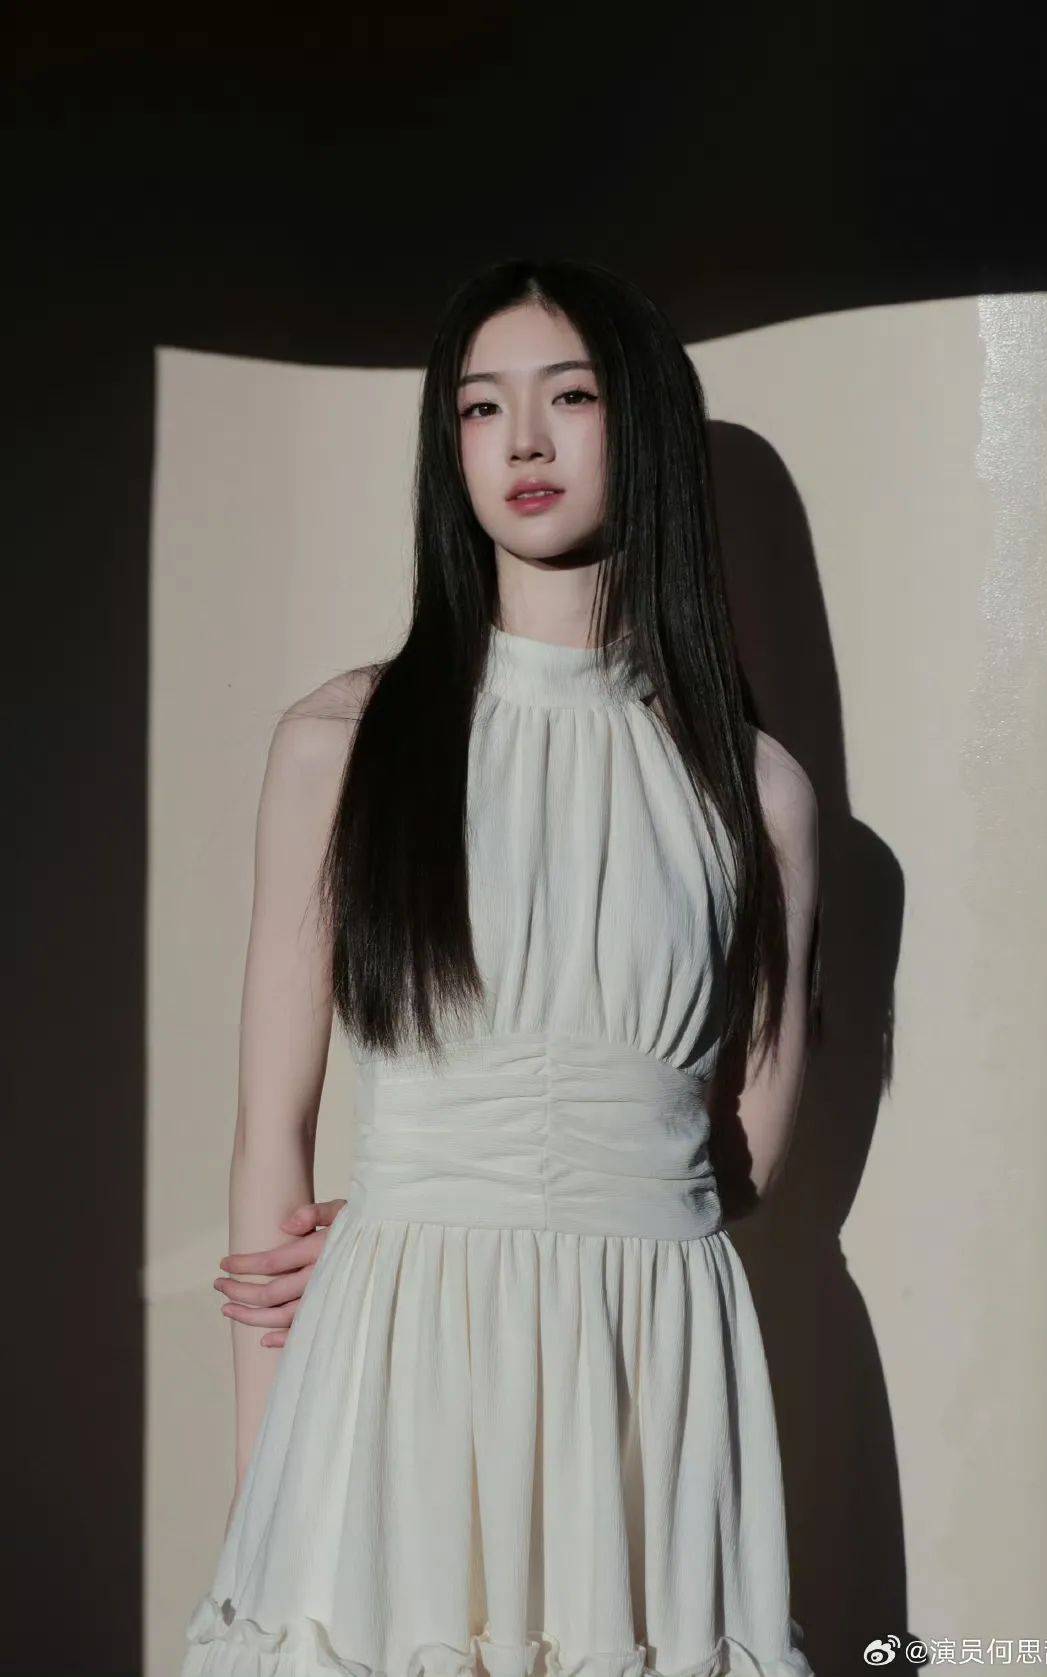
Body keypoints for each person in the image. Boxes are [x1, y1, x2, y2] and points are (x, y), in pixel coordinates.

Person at [182, 256, 820, 1677]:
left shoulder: (758, 793)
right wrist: (266, 1495)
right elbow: (269, 1142)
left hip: (649, 1376)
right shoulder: (341, 745)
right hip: (393, 1370)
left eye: (570, 397)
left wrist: (536, 1184)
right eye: (481, 407)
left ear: (643, 425)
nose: (522, 441)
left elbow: (735, 1160)